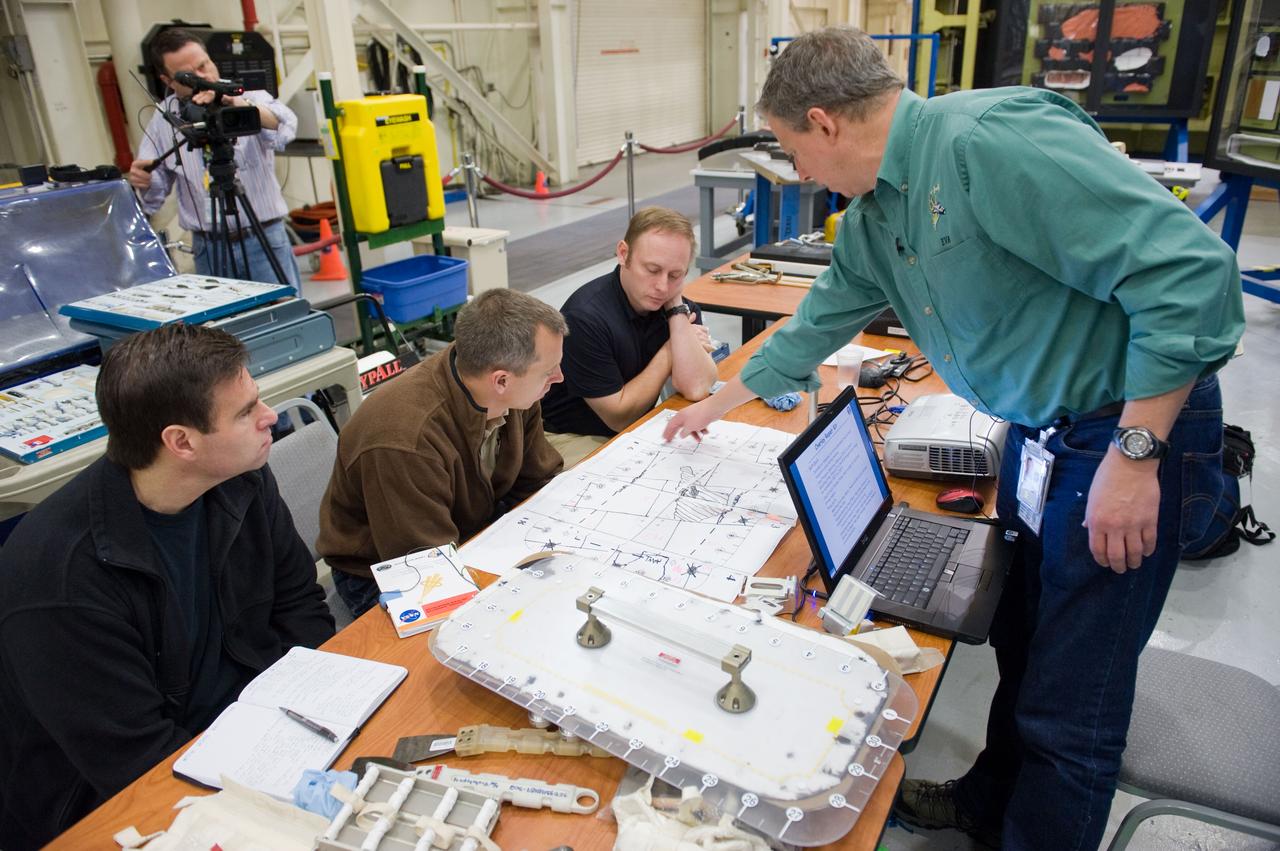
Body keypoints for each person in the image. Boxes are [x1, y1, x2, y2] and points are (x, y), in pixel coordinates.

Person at [663, 27, 1244, 851]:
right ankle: (989, 805)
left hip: (1124, 429)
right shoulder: (875, 215)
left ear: (824, 123)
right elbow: (821, 317)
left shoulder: (987, 145)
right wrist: (709, 407)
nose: (800, 174)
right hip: (1044, 433)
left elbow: (1191, 276)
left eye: (795, 151)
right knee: (1021, 638)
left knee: (1075, 700)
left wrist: (1135, 454)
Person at [0, 324, 335, 849]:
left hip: (261, 732)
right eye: (246, 411)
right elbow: (133, 760)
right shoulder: (60, 578)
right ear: (181, 442)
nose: (270, 416)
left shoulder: (240, 479)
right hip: (118, 803)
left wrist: (310, 716)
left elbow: (301, 606)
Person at [318, 289, 567, 618]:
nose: (559, 378)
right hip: (386, 571)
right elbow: (426, 568)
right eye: (548, 371)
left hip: (471, 531)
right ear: (501, 380)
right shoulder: (406, 439)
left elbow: (538, 481)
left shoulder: (506, 389)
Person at [541, 207, 718, 466]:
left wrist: (677, 309)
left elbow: (696, 387)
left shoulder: (677, 308)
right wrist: (670, 350)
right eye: (652, 270)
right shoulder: (585, 317)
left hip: (633, 429)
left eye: (675, 275)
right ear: (623, 254)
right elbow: (618, 417)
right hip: (571, 437)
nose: (662, 286)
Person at [127, 27, 301, 288]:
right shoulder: (165, 118)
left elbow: (286, 127)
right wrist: (145, 180)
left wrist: (239, 106)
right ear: (168, 81)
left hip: (264, 239)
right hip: (209, 246)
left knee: (285, 321)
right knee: (221, 328)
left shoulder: (248, 98)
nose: (202, 77)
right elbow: (155, 196)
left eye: (204, 65)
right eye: (188, 75)